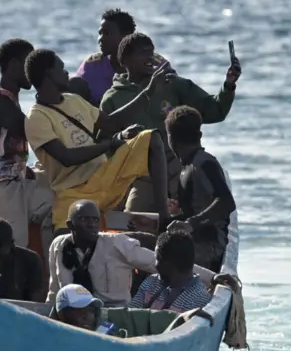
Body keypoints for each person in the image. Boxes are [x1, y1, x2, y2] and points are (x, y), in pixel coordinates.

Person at [23, 48, 173, 232]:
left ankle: (165, 218)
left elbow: (111, 122)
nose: (66, 72)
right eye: (61, 69)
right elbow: (66, 158)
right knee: (64, 237)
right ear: (49, 75)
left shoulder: (73, 99)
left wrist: (148, 92)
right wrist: (108, 145)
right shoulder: (36, 117)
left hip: (105, 177)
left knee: (151, 138)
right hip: (73, 191)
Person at [100, 32, 241, 213]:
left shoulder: (171, 84)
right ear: (125, 59)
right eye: (143, 53)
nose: (150, 58)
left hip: (179, 167)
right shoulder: (113, 98)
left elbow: (214, 111)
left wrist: (228, 85)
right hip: (142, 175)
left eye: (152, 52)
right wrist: (122, 137)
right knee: (133, 219)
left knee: (197, 211)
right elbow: (104, 143)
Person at [0, 38, 55, 248]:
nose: (33, 71)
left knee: (59, 204)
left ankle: (49, 272)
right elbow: (28, 129)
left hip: (15, 183)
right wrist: (49, 90)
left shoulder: (9, 97)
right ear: (15, 65)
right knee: (13, 251)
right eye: (29, 64)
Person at [47, 200, 215, 304]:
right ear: (70, 225)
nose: (92, 225)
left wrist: (212, 278)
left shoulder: (116, 244)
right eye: (84, 219)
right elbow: (54, 290)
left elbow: (161, 263)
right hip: (71, 315)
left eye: (95, 220)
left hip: (114, 315)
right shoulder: (58, 246)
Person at [165, 106, 235, 271]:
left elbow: (226, 202)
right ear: (200, 135)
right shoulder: (188, 166)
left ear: (171, 139)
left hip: (209, 247)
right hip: (193, 241)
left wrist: (191, 223)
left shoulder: (205, 163)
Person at [74, 9, 173, 104]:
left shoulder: (155, 63)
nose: (101, 39)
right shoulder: (91, 66)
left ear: (127, 36)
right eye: (100, 33)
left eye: (107, 33)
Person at [131, 230, 213, 313]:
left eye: (156, 259)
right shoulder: (151, 282)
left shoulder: (199, 300)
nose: (155, 264)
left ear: (166, 264)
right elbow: (130, 315)